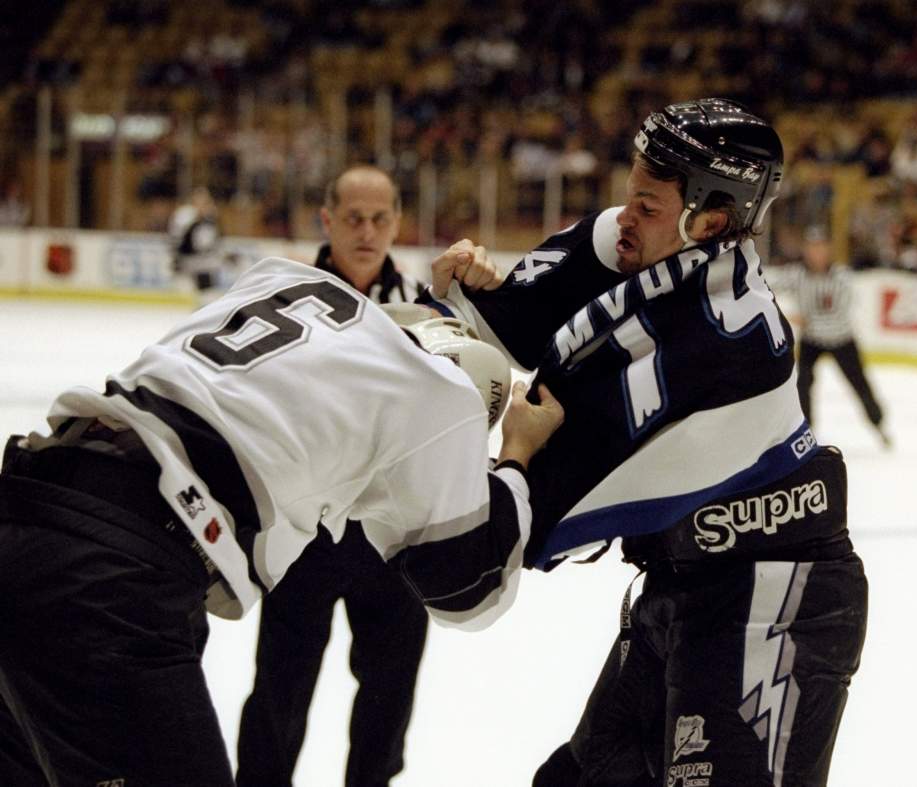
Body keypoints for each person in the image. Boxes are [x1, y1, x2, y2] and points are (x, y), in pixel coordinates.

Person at [425, 98, 868, 787]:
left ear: (711, 220)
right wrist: (476, 296)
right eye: (629, 196)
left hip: (774, 602)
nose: (625, 218)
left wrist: (510, 451)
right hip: (688, 583)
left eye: (647, 206)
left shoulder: (716, 348)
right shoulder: (663, 245)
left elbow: (485, 559)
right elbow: (522, 320)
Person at [0, 247, 564, 786]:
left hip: (28, 501)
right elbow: (469, 595)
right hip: (110, 576)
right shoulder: (442, 395)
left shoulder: (291, 282)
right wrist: (515, 453)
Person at [236, 165, 431, 787]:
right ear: (327, 220)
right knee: (279, 691)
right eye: (353, 218)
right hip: (304, 532)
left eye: (380, 219)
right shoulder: (284, 297)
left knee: (388, 694)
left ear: (397, 221)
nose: (367, 232)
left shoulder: (425, 308)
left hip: (395, 538)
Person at [786, 225, 891, 448]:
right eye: (812, 248)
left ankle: (878, 423)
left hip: (841, 339)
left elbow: (840, 314)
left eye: (821, 247)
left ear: (828, 250)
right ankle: (807, 430)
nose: (817, 253)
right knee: (802, 383)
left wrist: (807, 320)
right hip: (811, 341)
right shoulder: (797, 276)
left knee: (859, 383)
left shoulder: (841, 278)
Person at [169, 185, 228, 301]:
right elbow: (176, 241)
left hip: (205, 266)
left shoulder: (211, 218)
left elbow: (215, 242)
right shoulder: (184, 217)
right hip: (186, 265)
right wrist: (176, 260)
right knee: (185, 297)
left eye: (205, 201)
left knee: (208, 298)